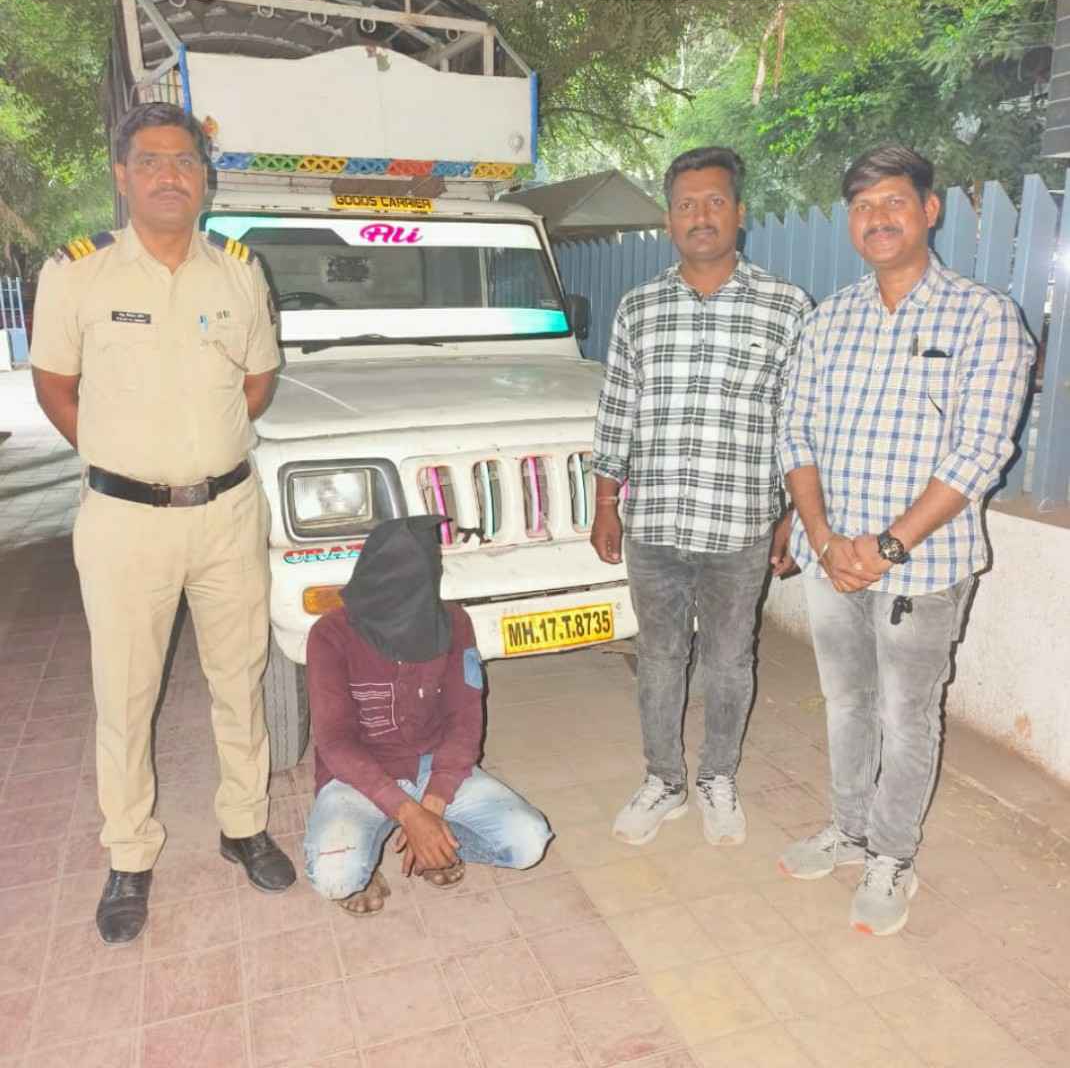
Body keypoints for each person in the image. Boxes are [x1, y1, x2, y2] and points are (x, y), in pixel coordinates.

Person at [30, 101, 295, 945]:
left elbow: (257, 381)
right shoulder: (76, 275)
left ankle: (244, 825)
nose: (169, 176)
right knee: (125, 693)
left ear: (204, 178)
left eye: (184, 161)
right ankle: (129, 854)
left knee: (239, 679)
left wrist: (201, 453)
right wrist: (118, 457)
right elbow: (53, 385)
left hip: (226, 514)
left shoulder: (240, 272)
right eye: (150, 161)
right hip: (123, 523)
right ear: (122, 176)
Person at [777, 145, 1034, 936]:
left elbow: (981, 451)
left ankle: (893, 854)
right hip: (831, 561)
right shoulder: (828, 320)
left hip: (924, 566)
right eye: (863, 206)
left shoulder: (984, 317)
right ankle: (850, 829)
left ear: (929, 210)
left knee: (905, 713)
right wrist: (823, 537)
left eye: (894, 202)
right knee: (846, 702)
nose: (878, 218)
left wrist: (885, 548)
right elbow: (795, 431)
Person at [591, 146, 810, 848]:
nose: (701, 216)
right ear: (669, 221)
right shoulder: (640, 307)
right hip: (653, 522)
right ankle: (664, 780)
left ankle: (718, 776)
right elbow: (617, 409)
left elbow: (799, 423)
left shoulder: (786, 307)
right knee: (658, 657)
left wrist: (794, 517)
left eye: (715, 201)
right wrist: (605, 503)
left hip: (741, 526)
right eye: (687, 205)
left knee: (729, 660)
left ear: (740, 214)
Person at [303, 515, 553, 913]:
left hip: (431, 765)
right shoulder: (329, 634)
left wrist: (433, 806)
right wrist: (407, 813)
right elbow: (334, 742)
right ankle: (381, 855)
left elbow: (465, 722)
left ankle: (436, 842)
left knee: (529, 842)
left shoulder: (453, 622)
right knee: (337, 878)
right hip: (358, 776)